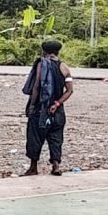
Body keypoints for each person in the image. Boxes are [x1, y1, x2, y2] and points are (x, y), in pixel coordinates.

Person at [22, 40, 74, 177]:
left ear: (44, 51)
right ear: (58, 51)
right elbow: (69, 90)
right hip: (57, 110)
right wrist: (57, 103)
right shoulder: (64, 67)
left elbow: (37, 86)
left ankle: (33, 167)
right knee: (56, 137)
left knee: (35, 136)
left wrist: (32, 106)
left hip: (41, 108)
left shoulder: (42, 64)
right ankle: (56, 165)